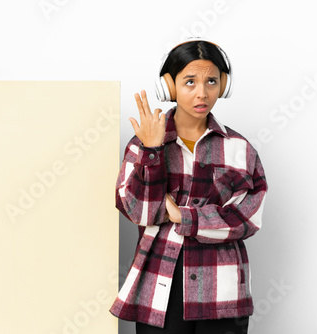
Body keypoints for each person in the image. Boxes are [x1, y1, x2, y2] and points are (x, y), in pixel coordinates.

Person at [108, 39, 268, 334]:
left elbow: (247, 218)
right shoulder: (142, 145)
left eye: (211, 81)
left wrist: (184, 216)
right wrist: (153, 150)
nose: (202, 93)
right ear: (169, 86)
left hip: (222, 291)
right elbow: (139, 212)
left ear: (224, 85)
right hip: (160, 285)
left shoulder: (240, 149)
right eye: (189, 82)